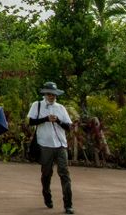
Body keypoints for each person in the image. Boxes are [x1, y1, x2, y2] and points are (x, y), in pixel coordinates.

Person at [28, 81, 75, 213]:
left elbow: (68, 127)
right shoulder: (37, 105)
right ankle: (47, 195)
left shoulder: (61, 108)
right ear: (45, 94)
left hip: (61, 145)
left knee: (64, 174)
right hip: (44, 145)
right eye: (49, 94)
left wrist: (58, 121)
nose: (51, 96)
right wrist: (46, 119)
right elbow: (31, 122)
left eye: (53, 94)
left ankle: (68, 204)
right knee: (46, 173)